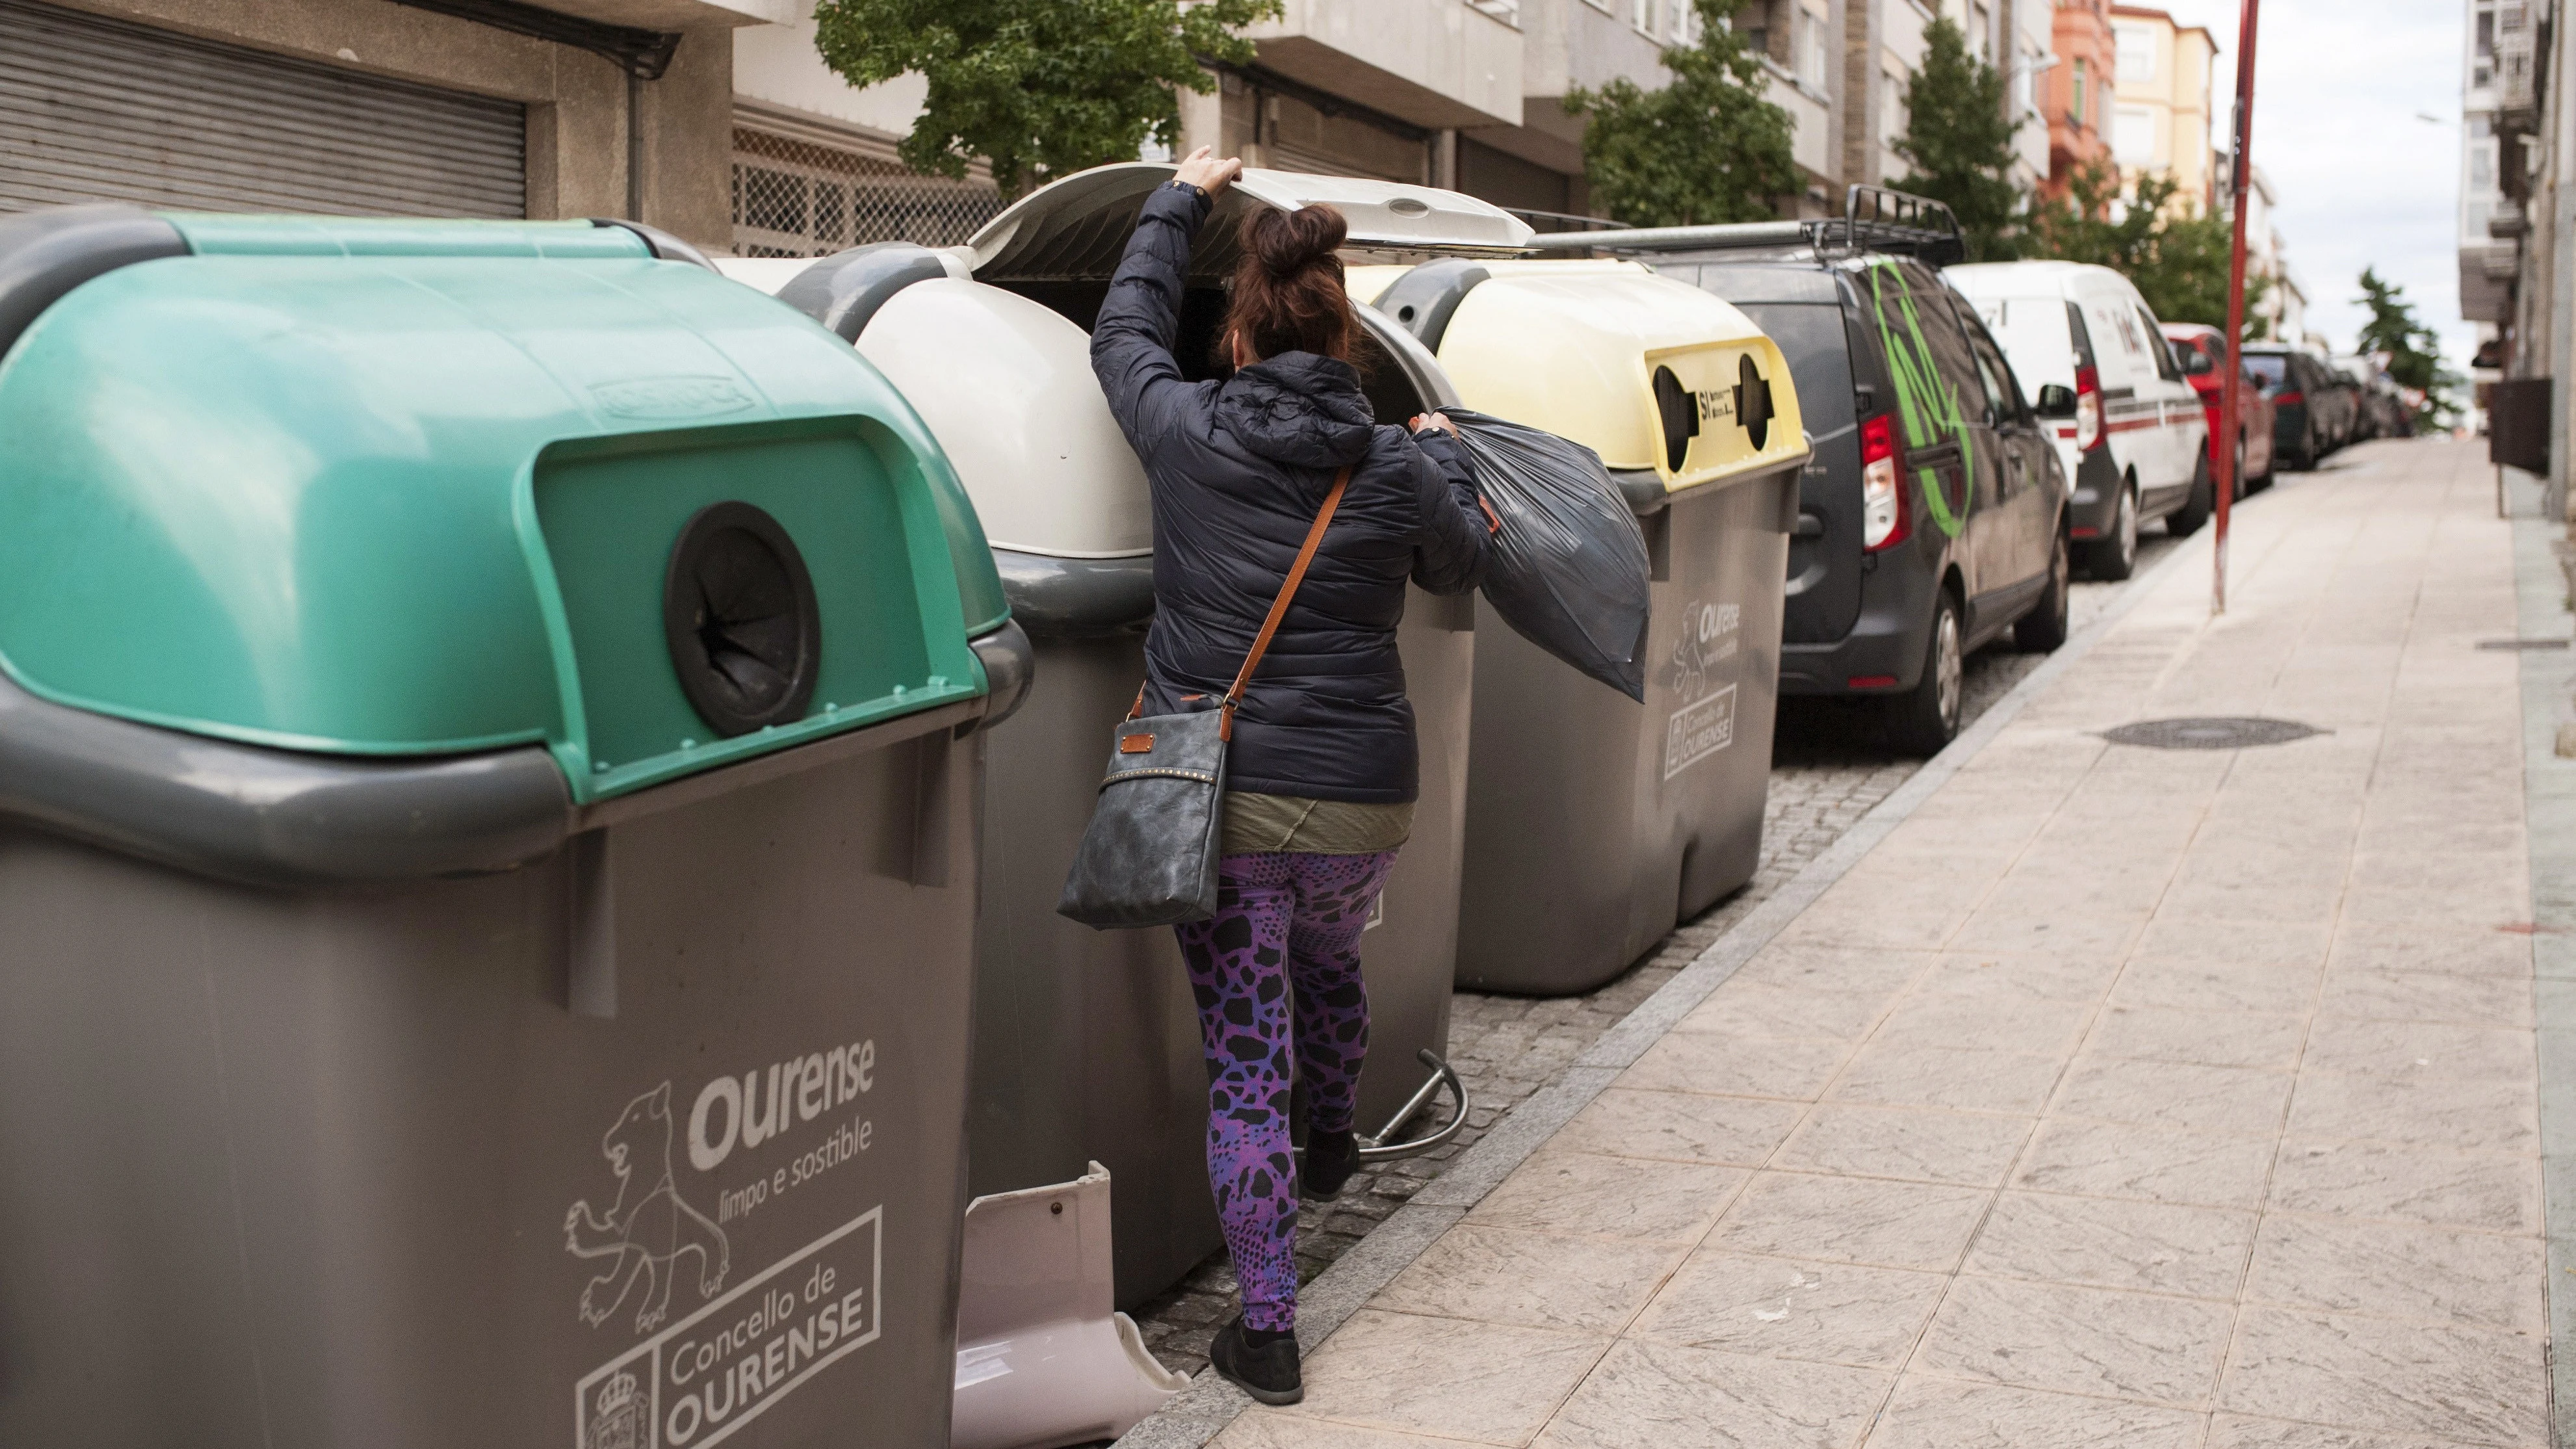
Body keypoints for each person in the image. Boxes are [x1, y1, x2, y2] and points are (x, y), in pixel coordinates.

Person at [1091, 146, 1490, 1404]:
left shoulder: (1186, 428)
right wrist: (1446, 451)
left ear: (1241, 338)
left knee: (1241, 1061)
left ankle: (1267, 1326)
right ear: (1348, 339)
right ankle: (1333, 1131)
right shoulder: (1394, 463)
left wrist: (1180, 199)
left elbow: (1121, 331)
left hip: (1227, 806)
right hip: (1363, 797)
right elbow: (1460, 566)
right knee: (1330, 958)